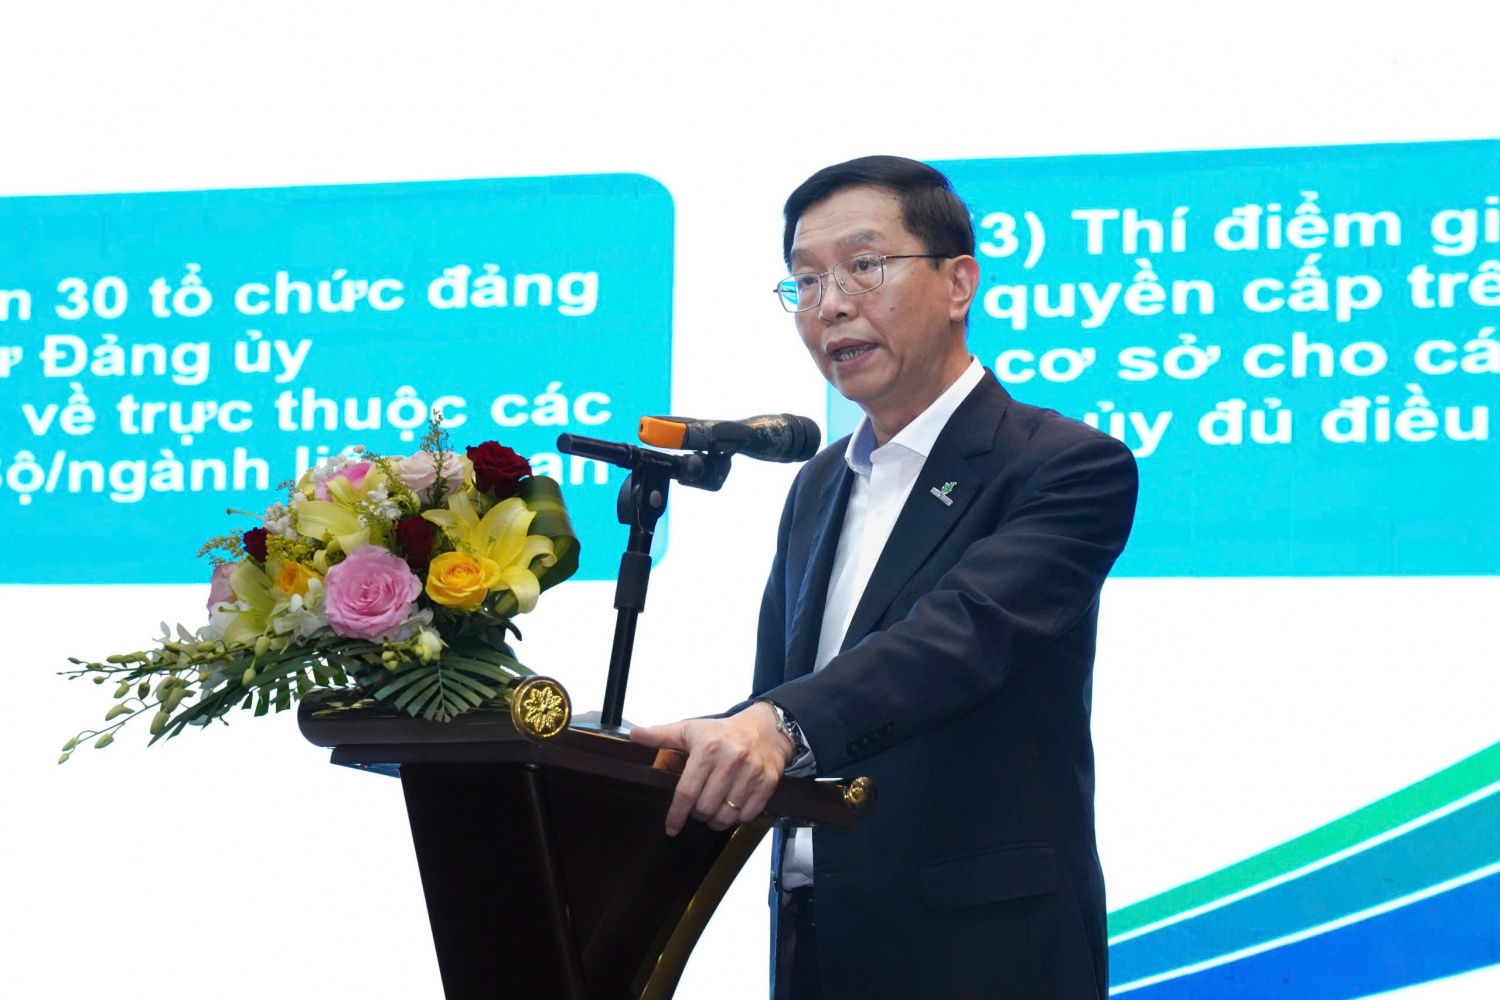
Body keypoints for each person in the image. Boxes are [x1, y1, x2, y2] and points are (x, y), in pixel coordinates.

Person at [630, 155, 1138, 1000]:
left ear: (958, 283)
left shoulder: (1065, 465)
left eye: (864, 266)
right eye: (806, 281)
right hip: (816, 936)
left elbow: (959, 638)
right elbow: (791, 689)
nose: (830, 304)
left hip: (980, 952)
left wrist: (776, 724)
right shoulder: (819, 482)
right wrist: (678, 744)